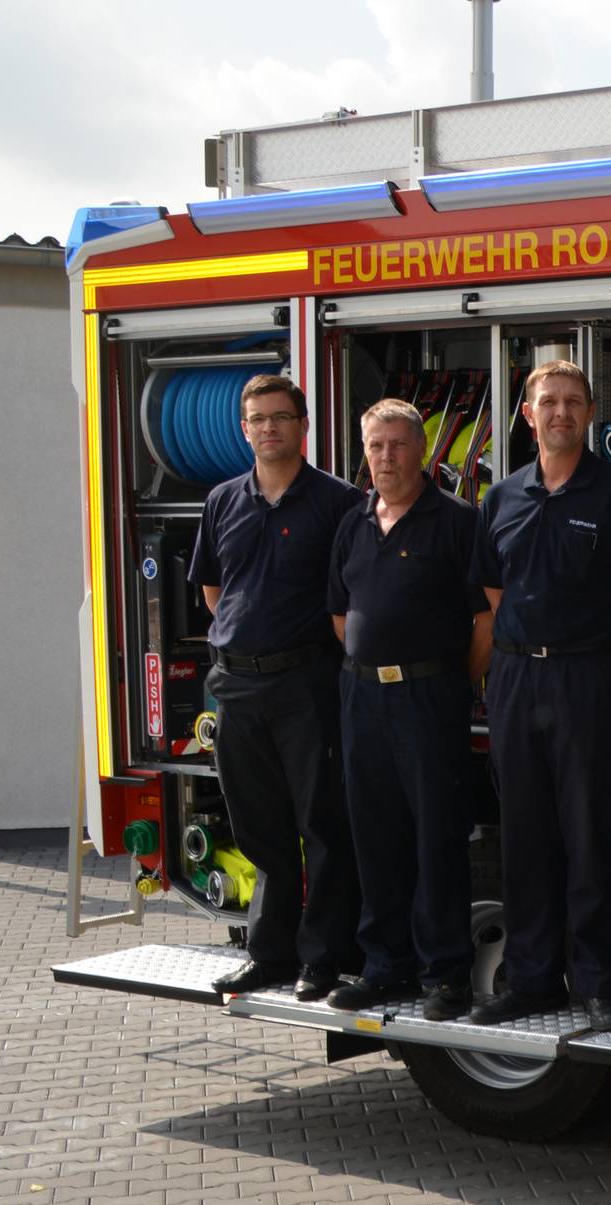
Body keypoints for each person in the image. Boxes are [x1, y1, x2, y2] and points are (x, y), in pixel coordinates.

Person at [466, 360, 611, 1032]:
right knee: (525, 837)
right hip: (517, 681)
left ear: (589, 413)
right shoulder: (503, 498)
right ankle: (531, 980)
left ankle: (602, 986)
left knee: (592, 832)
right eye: (547, 402)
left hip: (590, 679)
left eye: (573, 402)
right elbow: (491, 601)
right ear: (526, 414)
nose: (560, 413)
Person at [323, 399, 493, 1020]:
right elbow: (342, 617)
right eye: (376, 446)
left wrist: (443, 681)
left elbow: (486, 621)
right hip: (362, 697)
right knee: (375, 836)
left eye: (398, 444)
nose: (387, 457)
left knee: (436, 838)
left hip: (429, 699)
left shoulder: (456, 521)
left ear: (421, 450)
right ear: (364, 452)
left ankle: (445, 975)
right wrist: (377, 671)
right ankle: (384, 966)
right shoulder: (353, 522)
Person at [196, 374, 363, 1002]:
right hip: (236, 686)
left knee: (321, 827)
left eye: (280, 418)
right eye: (257, 419)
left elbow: (351, 596)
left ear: (303, 426)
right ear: (244, 429)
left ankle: (322, 959)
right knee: (260, 830)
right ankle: (268, 955)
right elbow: (215, 591)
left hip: (307, 684)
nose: (269, 428)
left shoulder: (338, 502)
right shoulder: (222, 501)